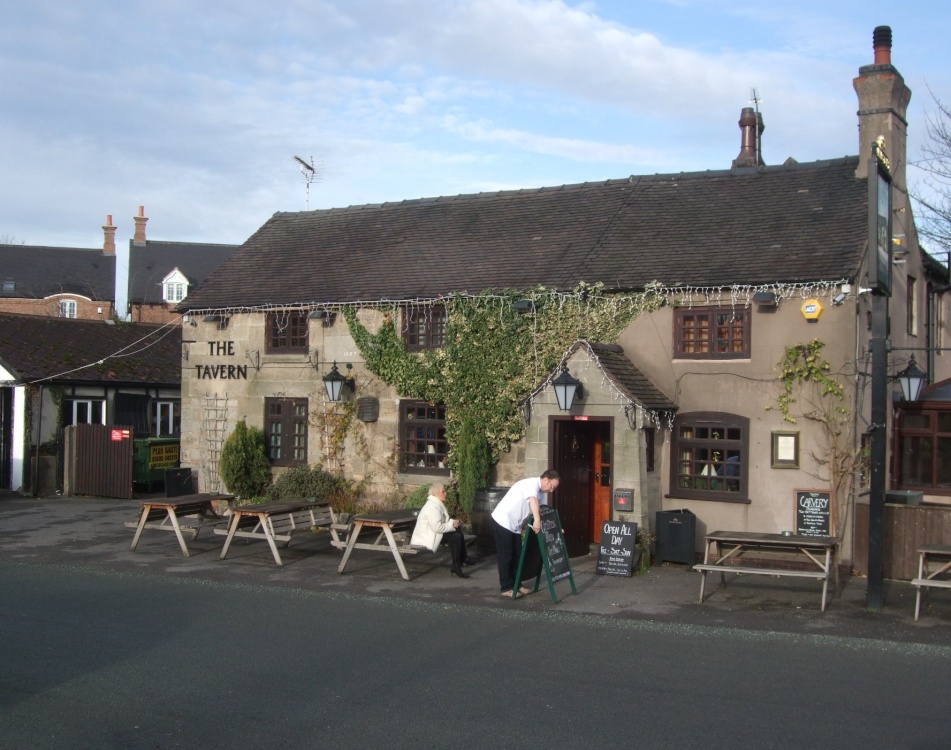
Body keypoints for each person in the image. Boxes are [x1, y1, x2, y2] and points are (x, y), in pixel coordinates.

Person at [490, 469, 560, 598]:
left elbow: (544, 511)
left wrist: (555, 527)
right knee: (506, 556)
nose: (551, 490)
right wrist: (537, 520)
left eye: (553, 489)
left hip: (514, 525)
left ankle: (517, 584)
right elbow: (533, 501)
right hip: (503, 521)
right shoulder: (531, 485)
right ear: (546, 480)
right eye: (552, 486)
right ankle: (506, 587)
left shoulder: (541, 493)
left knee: (517, 555)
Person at [410, 483, 471, 578]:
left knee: (456, 529)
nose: (446, 493)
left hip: (433, 533)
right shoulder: (432, 506)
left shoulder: (436, 504)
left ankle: (460, 561)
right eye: (443, 491)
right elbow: (437, 527)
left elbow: (441, 523)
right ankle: (459, 562)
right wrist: (451, 524)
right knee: (456, 536)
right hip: (428, 537)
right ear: (436, 494)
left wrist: (452, 523)